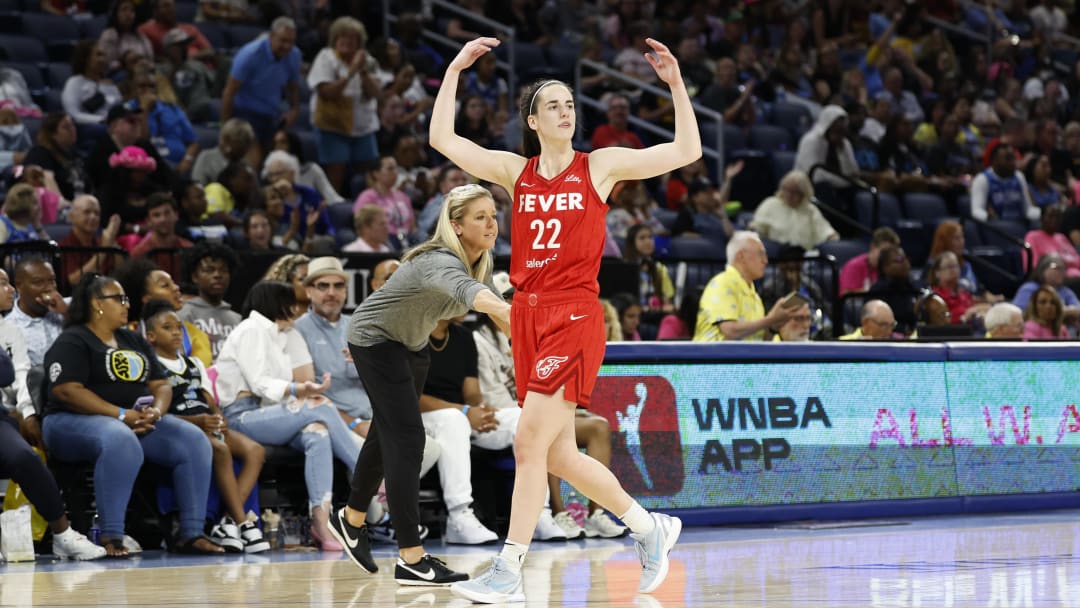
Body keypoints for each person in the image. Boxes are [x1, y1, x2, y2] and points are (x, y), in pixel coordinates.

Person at [430, 36, 698, 602]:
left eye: (571, 104)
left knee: (528, 444)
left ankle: (508, 570)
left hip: (574, 313)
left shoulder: (598, 166)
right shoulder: (515, 172)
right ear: (532, 120)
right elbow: (441, 138)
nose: (566, 111)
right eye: (554, 104)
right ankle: (649, 527)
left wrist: (674, 84)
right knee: (557, 454)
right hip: (527, 316)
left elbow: (685, 151)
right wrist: (454, 68)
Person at [327, 183, 509, 585]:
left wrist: (524, 335)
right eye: (480, 217)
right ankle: (411, 556)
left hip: (413, 344)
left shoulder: (482, 260)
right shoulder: (439, 260)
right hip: (375, 339)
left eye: (494, 216)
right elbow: (478, 297)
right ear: (457, 225)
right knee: (408, 439)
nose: (491, 224)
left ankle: (351, 517)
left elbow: (493, 298)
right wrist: (521, 323)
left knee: (385, 433)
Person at [42, 273, 220, 556]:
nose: (127, 304)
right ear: (97, 303)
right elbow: (67, 391)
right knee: (119, 438)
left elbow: (161, 384)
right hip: (68, 423)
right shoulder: (73, 340)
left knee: (193, 439)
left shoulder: (131, 339)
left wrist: (156, 412)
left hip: (133, 420)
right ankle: (111, 535)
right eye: (119, 298)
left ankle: (191, 533)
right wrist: (121, 414)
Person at [292, 257, 440, 526]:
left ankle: (381, 510)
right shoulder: (297, 331)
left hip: (376, 416)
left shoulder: (360, 323)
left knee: (428, 448)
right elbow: (308, 395)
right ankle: (378, 516)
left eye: (338, 286)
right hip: (338, 422)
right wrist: (356, 423)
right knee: (377, 450)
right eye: (323, 286)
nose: (331, 293)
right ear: (309, 290)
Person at [215, 280, 361, 551]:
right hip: (240, 417)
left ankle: (320, 522)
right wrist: (300, 389)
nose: (296, 308)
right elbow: (259, 382)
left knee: (318, 432)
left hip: (267, 413)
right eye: (290, 301)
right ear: (275, 302)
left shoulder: (282, 335)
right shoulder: (251, 330)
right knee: (320, 405)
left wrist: (302, 390)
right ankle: (368, 473)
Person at [142, 299, 269, 552]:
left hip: (207, 423)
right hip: (181, 428)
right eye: (168, 328)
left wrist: (218, 417)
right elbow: (159, 415)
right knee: (220, 451)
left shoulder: (194, 364)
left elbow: (207, 398)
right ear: (152, 336)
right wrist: (199, 422)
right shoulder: (151, 368)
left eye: (179, 327)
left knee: (255, 451)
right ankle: (244, 522)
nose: (177, 332)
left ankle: (228, 521)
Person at [0, 273, 105, 561]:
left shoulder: (8, 331)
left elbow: (8, 373)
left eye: (9, 282)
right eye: (1, 284)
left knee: (25, 458)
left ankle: (63, 534)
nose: (8, 290)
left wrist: (27, 412)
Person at [307, 17, 382, 194]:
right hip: (333, 126)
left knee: (370, 171)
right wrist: (350, 73)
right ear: (334, 38)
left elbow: (377, 93)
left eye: (352, 37)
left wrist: (362, 71)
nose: (346, 41)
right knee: (336, 173)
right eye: (342, 36)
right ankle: (336, 207)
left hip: (363, 126)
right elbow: (327, 92)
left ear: (360, 41)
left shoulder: (368, 61)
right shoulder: (326, 57)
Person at [220, 18, 301, 159]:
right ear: (271, 36)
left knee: (276, 159)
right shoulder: (249, 54)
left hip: (272, 115)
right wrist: (225, 130)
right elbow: (229, 92)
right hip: (244, 114)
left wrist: (294, 109)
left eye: (291, 41)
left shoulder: (294, 55)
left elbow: (293, 86)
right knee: (255, 158)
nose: (287, 46)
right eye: (282, 41)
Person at [694, 231, 796, 342]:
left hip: (745, 358)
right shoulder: (723, 283)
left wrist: (772, 327)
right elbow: (729, 331)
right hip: (713, 358)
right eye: (760, 254)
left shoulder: (754, 295)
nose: (765, 261)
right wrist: (770, 319)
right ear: (741, 256)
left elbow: (759, 341)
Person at [114, 256, 212, 367]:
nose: (176, 288)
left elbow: (202, 374)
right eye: (165, 285)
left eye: (173, 283)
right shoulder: (127, 334)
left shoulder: (196, 335)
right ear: (147, 298)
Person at [177, 242, 242, 358]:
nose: (217, 275)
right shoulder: (184, 315)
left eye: (223, 270)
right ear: (195, 277)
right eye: (209, 270)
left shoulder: (237, 319)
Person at [749, 170, 839, 250]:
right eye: (786, 190)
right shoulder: (770, 204)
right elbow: (756, 230)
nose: (789, 195)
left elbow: (827, 233)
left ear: (804, 194)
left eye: (794, 192)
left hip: (805, 259)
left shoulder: (810, 210)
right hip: (776, 259)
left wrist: (832, 239)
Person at [9, 257, 67, 367]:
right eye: (38, 282)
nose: (49, 288)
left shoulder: (69, 308)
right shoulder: (10, 328)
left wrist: (67, 313)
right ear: (19, 286)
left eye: (52, 281)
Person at [59, 195, 123, 286]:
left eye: (97, 213)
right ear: (71, 217)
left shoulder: (101, 241)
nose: (93, 217)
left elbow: (120, 272)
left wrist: (112, 241)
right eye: (87, 212)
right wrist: (104, 250)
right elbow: (74, 281)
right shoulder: (64, 246)